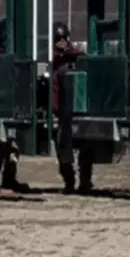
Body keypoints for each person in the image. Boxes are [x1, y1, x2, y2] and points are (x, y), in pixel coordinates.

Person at [50, 22, 93, 194]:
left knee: (87, 147)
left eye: (63, 39)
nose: (61, 42)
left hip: (79, 111)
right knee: (63, 151)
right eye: (57, 39)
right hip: (61, 112)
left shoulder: (78, 58)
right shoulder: (50, 61)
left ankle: (85, 181)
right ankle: (69, 181)